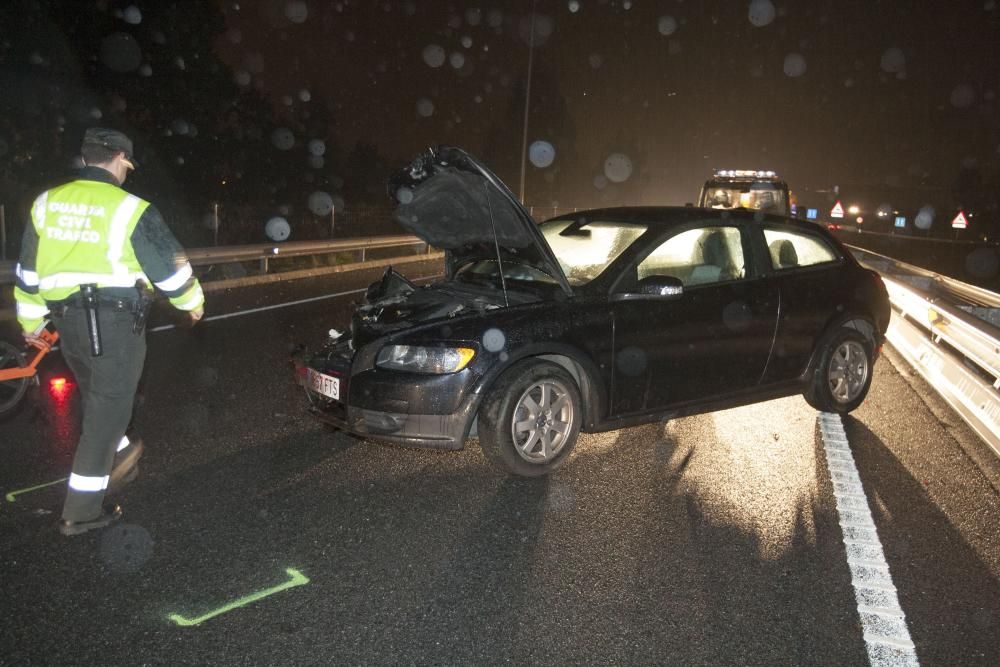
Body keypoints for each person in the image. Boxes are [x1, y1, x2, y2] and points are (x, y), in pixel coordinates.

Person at [13, 128, 205, 536]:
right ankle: (80, 511)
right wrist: (192, 303)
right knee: (108, 409)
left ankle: (122, 451)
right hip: (114, 323)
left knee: (98, 394)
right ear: (120, 159)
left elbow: (28, 272)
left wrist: (31, 323)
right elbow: (169, 267)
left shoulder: (47, 203)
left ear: (86, 159)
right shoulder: (129, 208)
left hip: (68, 322)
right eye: (126, 165)